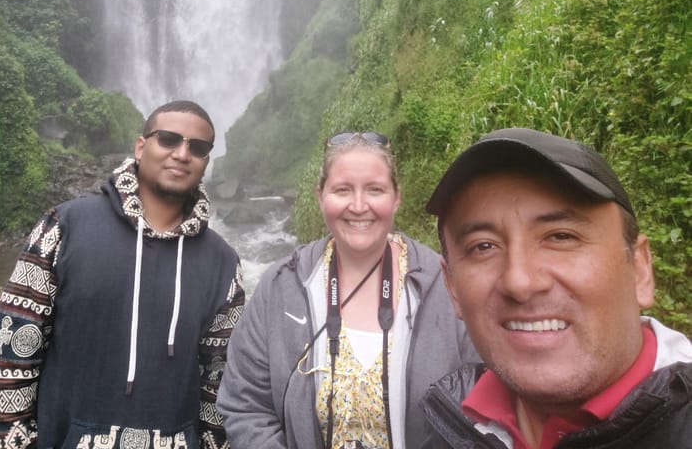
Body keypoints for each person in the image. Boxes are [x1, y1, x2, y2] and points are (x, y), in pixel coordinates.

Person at [0, 100, 244, 449]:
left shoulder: (223, 262)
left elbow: (219, 378)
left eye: (197, 147)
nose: (182, 154)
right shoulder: (64, 227)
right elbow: (13, 350)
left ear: (206, 161)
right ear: (140, 146)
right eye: (168, 139)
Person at [420, 128, 692, 449]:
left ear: (641, 271)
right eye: (483, 246)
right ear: (452, 289)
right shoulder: (450, 430)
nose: (520, 281)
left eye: (561, 236)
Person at [217, 132, 478, 449]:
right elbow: (244, 404)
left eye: (375, 190)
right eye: (342, 190)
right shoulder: (278, 288)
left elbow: (483, 407)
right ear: (320, 196)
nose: (358, 205)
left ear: (397, 197)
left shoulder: (447, 286)